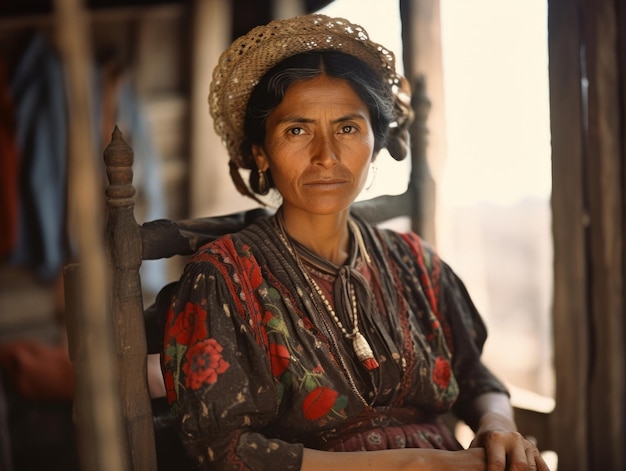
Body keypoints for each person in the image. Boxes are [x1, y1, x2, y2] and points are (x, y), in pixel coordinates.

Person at [161, 13, 549, 471]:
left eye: (347, 128)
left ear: (376, 142)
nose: (326, 156)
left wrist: (497, 426)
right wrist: (418, 464)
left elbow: (474, 377)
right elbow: (222, 450)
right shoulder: (224, 277)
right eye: (297, 130)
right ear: (261, 153)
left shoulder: (414, 263)